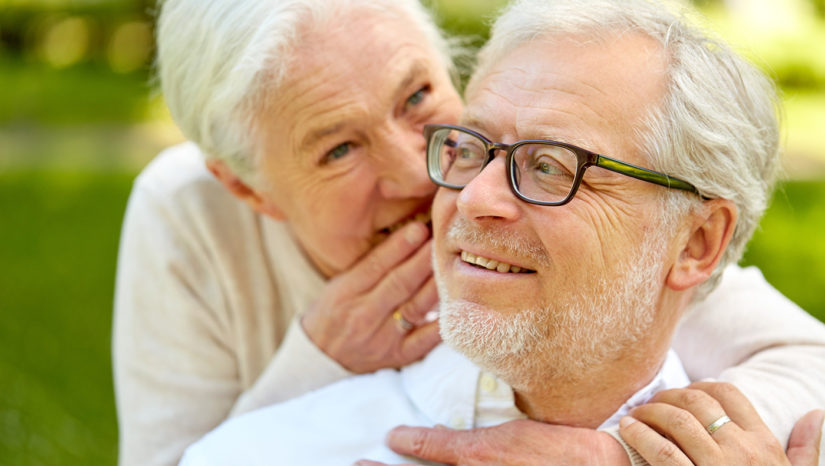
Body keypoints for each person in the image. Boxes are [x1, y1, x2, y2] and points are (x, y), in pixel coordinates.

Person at [113, 0, 825, 464]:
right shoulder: (186, 217)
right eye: (338, 149)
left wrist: (622, 452)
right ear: (247, 188)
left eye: (419, 100)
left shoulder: (648, 252)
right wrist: (315, 362)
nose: (437, 184)